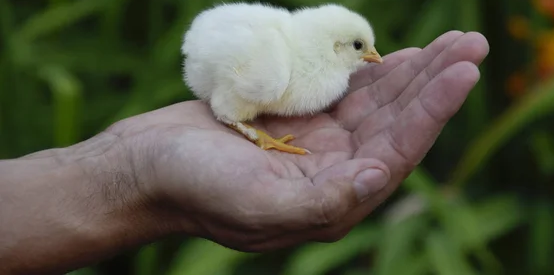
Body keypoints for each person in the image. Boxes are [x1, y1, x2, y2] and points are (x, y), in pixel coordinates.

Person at [0, 31, 488, 275]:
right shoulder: (283, 70)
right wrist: (127, 169)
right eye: (360, 47)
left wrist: (122, 170)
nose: (370, 57)